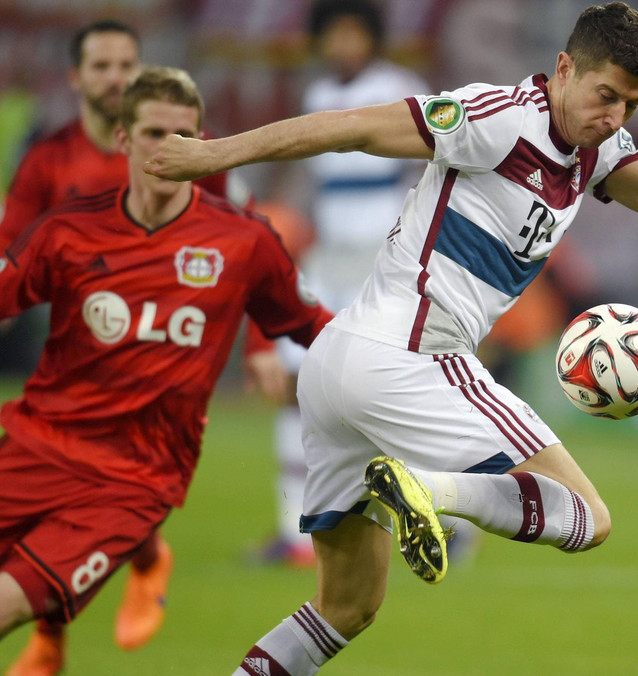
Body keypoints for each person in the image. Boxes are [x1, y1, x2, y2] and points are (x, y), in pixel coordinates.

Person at [146, 3, 638, 673]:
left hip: (340, 369)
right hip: (408, 360)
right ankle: (428, 489)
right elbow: (351, 127)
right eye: (604, 94)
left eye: (631, 104)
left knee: (344, 609)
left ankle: (409, 493)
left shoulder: (598, 150)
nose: (614, 115)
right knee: (588, 515)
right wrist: (216, 154)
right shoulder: (496, 117)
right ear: (564, 69)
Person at [0, 66, 333, 676]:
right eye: (153, 133)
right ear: (123, 140)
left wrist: (393, 365)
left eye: (185, 135)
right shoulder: (70, 229)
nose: (169, 148)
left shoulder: (242, 242)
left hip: (133, 481)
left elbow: (312, 325)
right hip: (34, 449)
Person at [0, 20, 276, 676]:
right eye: (102, 65)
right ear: (75, 78)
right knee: (65, 496)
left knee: (109, 490)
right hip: (77, 348)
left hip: (168, 357)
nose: (115, 76)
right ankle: (79, 616)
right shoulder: (50, 159)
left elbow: (256, 243)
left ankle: (101, 595)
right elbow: (5, 237)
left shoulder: (183, 146)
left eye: (126, 64)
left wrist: (259, 343)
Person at [254, 0, 429, 568]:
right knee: (296, 381)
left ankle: (448, 519)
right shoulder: (316, 98)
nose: (342, 45)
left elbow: (435, 171)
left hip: (384, 267)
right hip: (329, 261)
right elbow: (306, 183)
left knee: (399, 392)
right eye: (334, 35)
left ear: (373, 38)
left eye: (353, 33)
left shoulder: (401, 89)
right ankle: (294, 533)